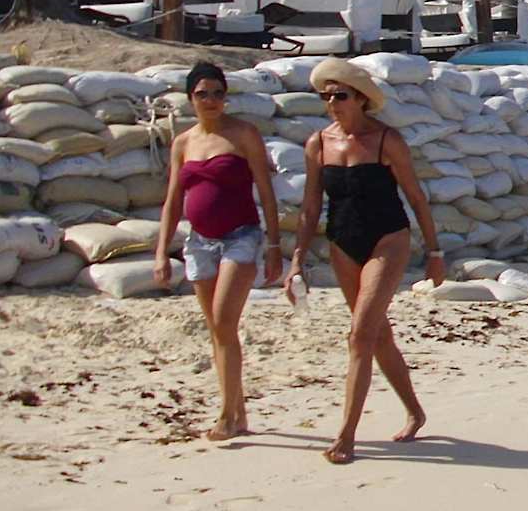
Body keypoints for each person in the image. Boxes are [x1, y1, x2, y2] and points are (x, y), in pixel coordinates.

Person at [290, 57, 444, 465]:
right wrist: (296, 259)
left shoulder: (385, 140)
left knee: (360, 335)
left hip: (387, 239)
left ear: (360, 99)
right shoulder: (318, 143)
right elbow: (310, 207)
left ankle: (346, 435)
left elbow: (416, 198)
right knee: (378, 335)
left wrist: (434, 253)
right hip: (342, 242)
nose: (332, 104)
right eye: (326, 97)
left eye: (340, 96)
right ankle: (415, 411)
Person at [153, 60, 281, 441]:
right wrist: (161, 252)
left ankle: (226, 415)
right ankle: (238, 411)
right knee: (217, 329)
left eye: (218, 93)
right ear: (190, 98)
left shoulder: (243, 134)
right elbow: (173, 200)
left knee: (224, 321)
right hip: (199, 242)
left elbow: (266, 193)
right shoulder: (183, 142)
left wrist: (274, 245)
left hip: (241, 237)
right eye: (202, 94)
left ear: (226, 97)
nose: (210, 100)